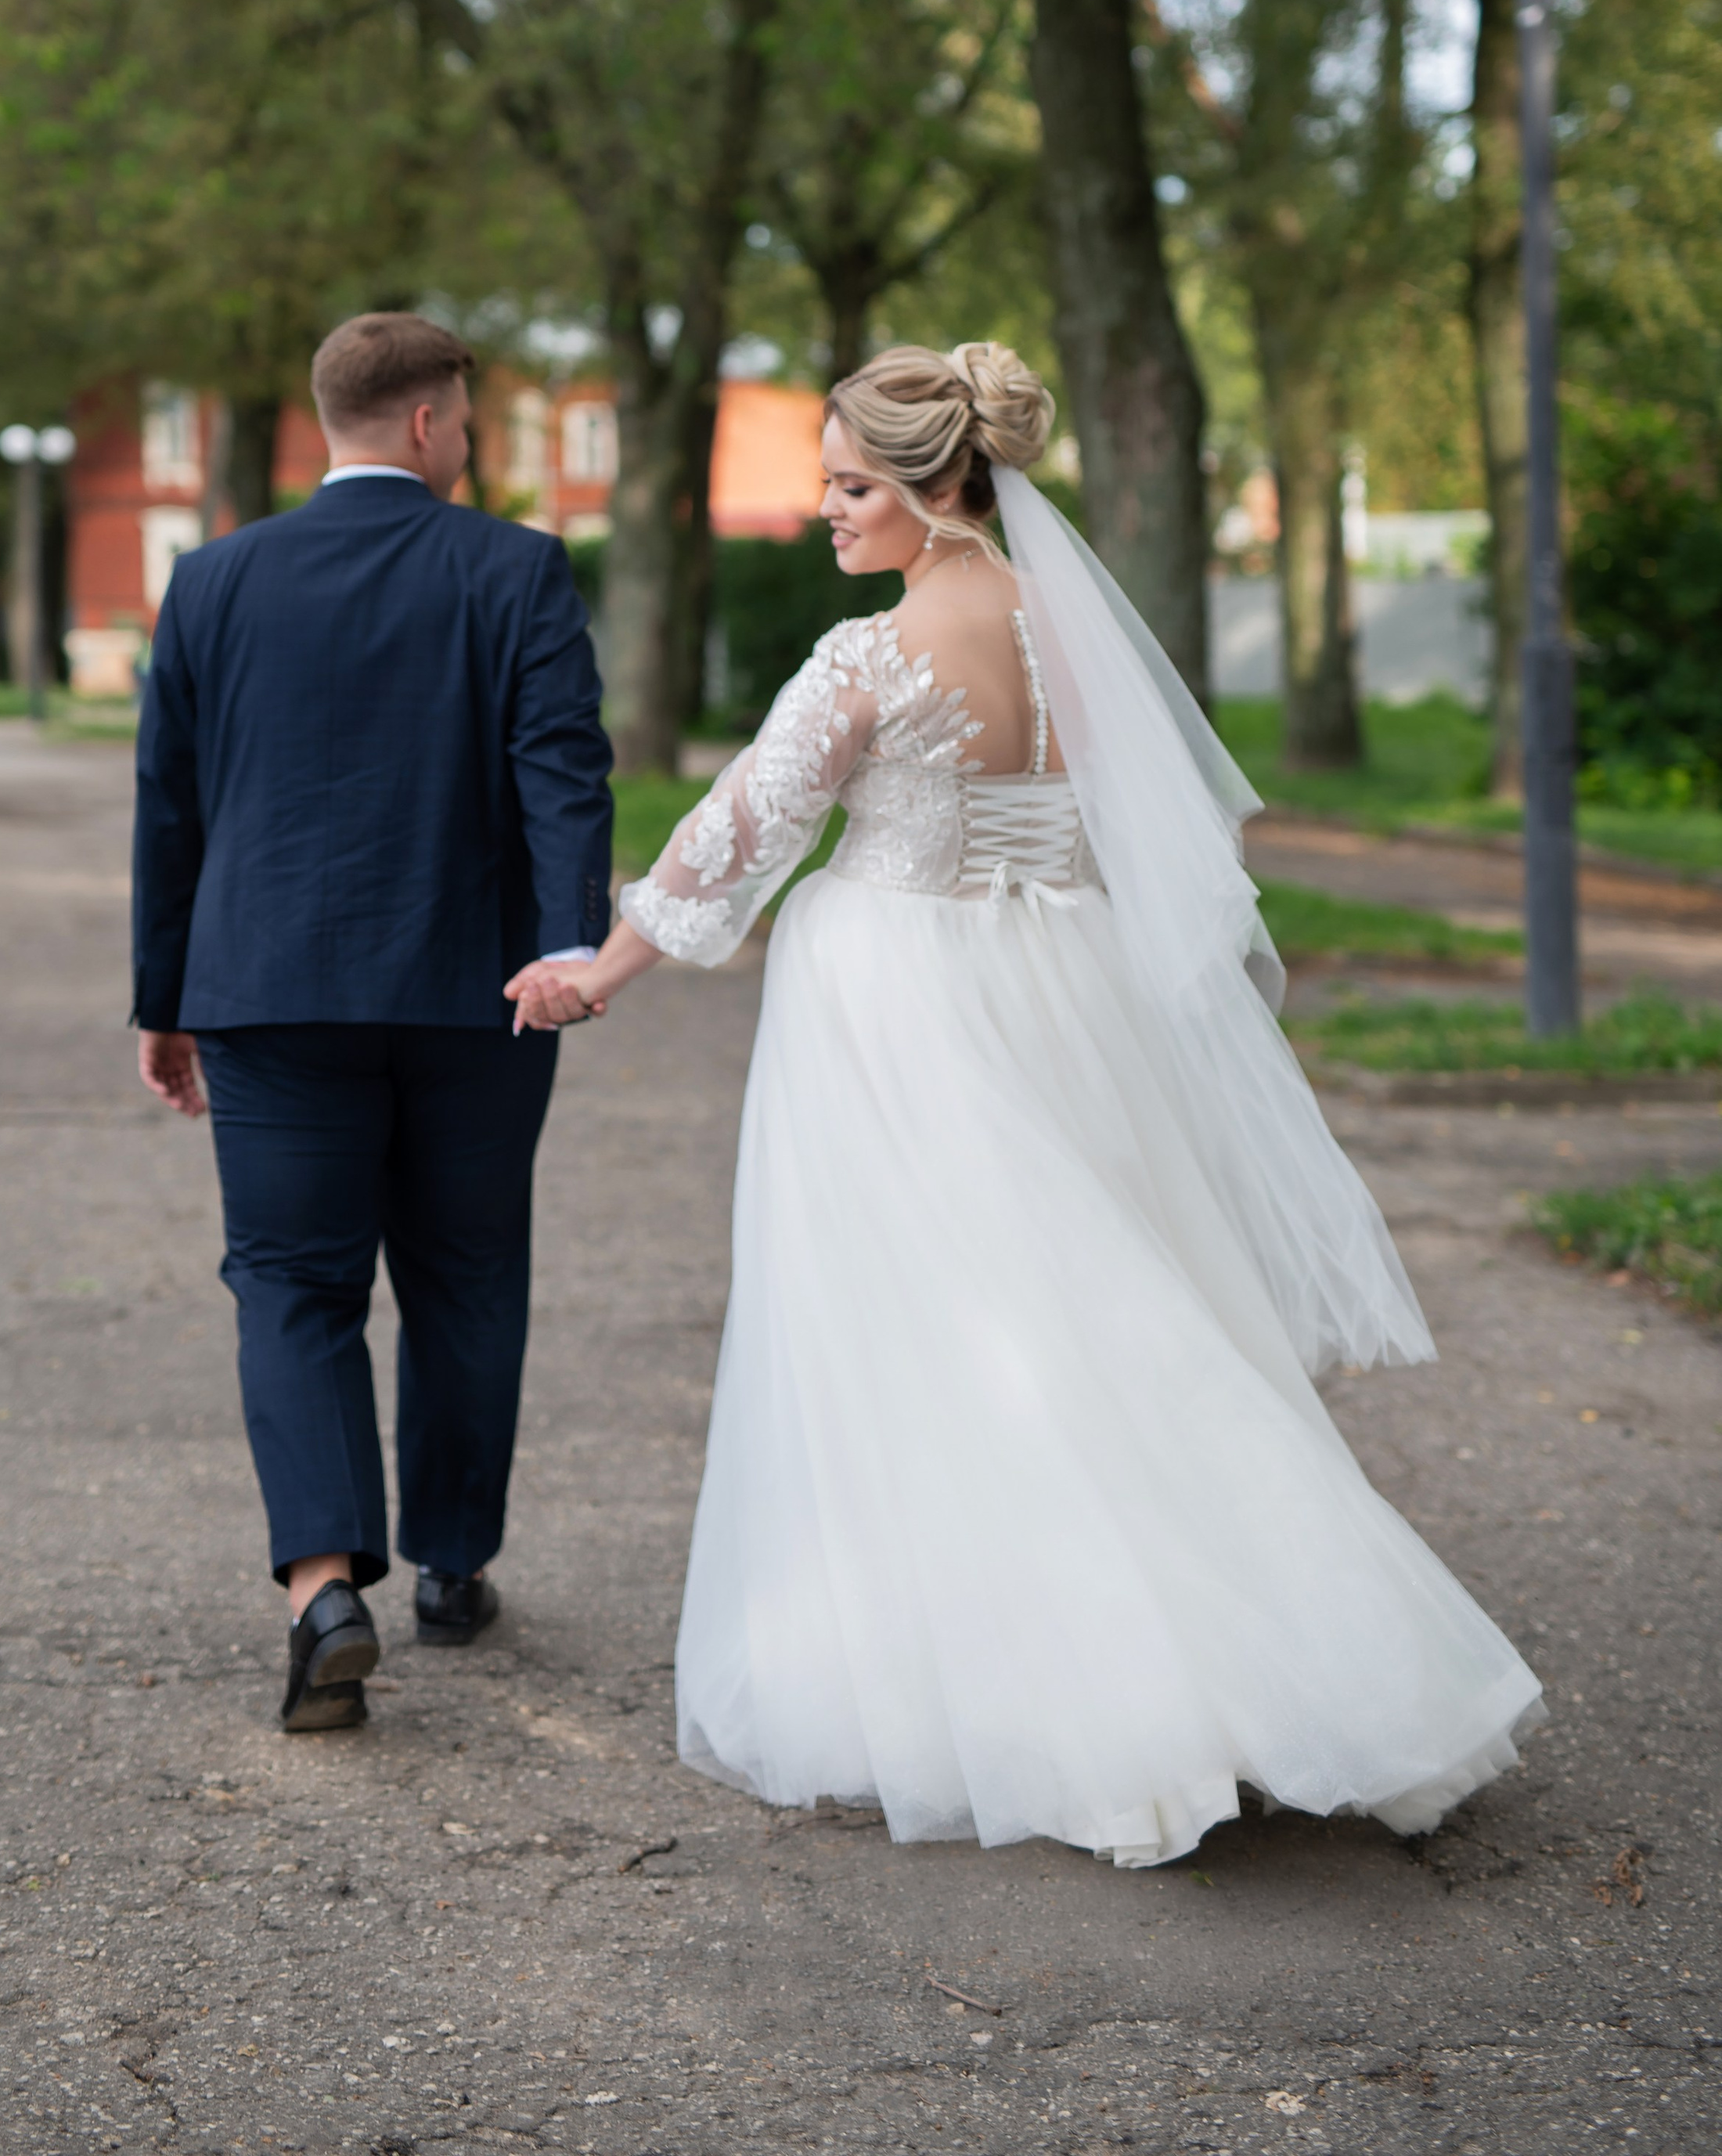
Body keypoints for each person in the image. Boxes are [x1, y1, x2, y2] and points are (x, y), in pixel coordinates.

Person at [506, 342, 1544, 1867]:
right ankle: (1271, 1661)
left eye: (850, 486)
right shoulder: (1076, 636)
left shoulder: (867, 659)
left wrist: (597, 969)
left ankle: (1049, 1691)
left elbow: (739, 833)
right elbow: (1139, 834)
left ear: (933, 489)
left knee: (934, 1329)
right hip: (1062, 985)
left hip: (900, 1008)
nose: (825, 512)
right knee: (1101, 1309)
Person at [133, 312, 614, 1732]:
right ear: (423, 423)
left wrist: (164, 1003)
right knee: (466, 1273)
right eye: (464, 418)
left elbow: (172, 808)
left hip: (268, 997)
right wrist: (566, 950)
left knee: (291, 1285)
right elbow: (563, 778)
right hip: (481, 996)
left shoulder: (210, 582)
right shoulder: (516, 568)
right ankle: (454, 1565)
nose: (468, 442)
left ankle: (325, 1592)